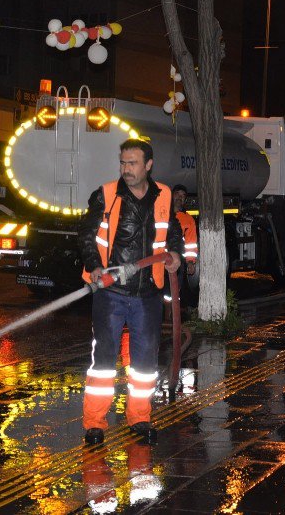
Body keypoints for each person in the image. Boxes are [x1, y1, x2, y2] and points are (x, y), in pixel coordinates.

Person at [79, 139, 183, 445]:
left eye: (133, 163)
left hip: (148, 293)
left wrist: (175, 254)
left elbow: (173, 231)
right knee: (105, 359)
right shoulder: (107, 195)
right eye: (123, 163)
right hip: (111, 293)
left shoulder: (163, 195)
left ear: (148, 165)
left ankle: (139, 418)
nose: (126, 169)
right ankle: (95, 423)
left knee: (145, 363)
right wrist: (95, 265)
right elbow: (85, 232)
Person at [170, 184, 198, 306]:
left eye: (183, 196)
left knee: (174, 291)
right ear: (172, 195)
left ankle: (171, 317)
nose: (180, 198)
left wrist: (190, 262)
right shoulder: (162, 213)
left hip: (178, 261)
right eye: (177, 194)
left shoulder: (188, 220)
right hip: (159, 259)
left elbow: (190, 243)